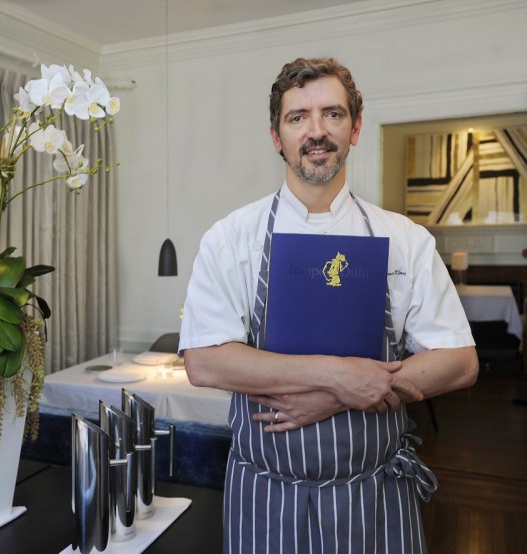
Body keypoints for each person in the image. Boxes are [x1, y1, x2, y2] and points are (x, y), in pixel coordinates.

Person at [179, 57, 479, 553]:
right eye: (298, 117)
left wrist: (336, 398)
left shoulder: (404, 239)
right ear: (276, 136)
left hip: (375, 496)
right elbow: (204, 361)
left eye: (332, 115)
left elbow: (460, 362)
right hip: (266, 497)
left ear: (356, 128)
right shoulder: (231, 238)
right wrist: (339, 377)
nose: (315, 131)